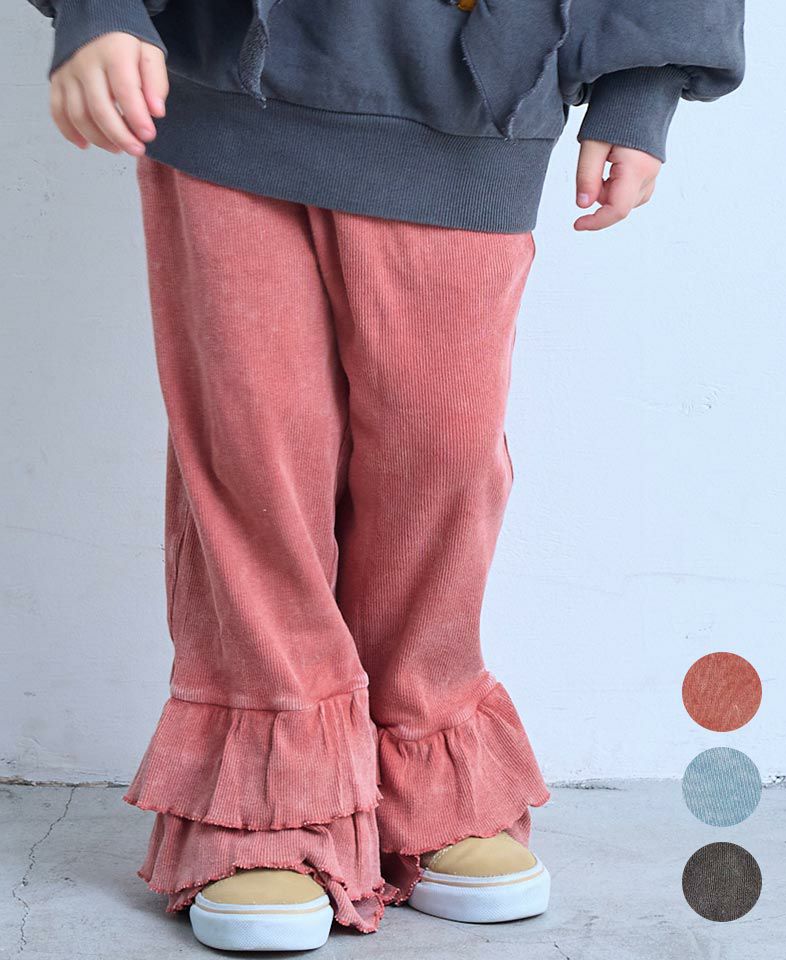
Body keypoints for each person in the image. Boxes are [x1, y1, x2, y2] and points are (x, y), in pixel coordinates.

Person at [25, 0, 745, 951]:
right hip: (222, 82)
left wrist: (642, 84)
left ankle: (426, 766)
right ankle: (269, 802)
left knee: (441, 466)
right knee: (252, 461)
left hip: (470, 98)